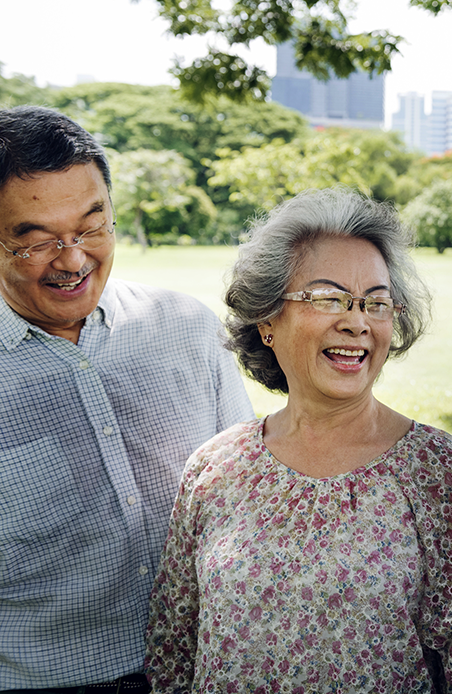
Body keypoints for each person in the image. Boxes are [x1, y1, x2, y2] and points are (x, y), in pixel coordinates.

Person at [143, 188, 452, 693]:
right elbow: (173, 653)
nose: (357, 322)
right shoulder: (215, 468)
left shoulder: (436, 470)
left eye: (376, 303)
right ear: (267, 319)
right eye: (328, 298)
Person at [0, 106, 253, 692]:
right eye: (36, 242)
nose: (72, 260)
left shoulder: (188, 329)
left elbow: (247, 502)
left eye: (92, 228)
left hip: (207, 670)